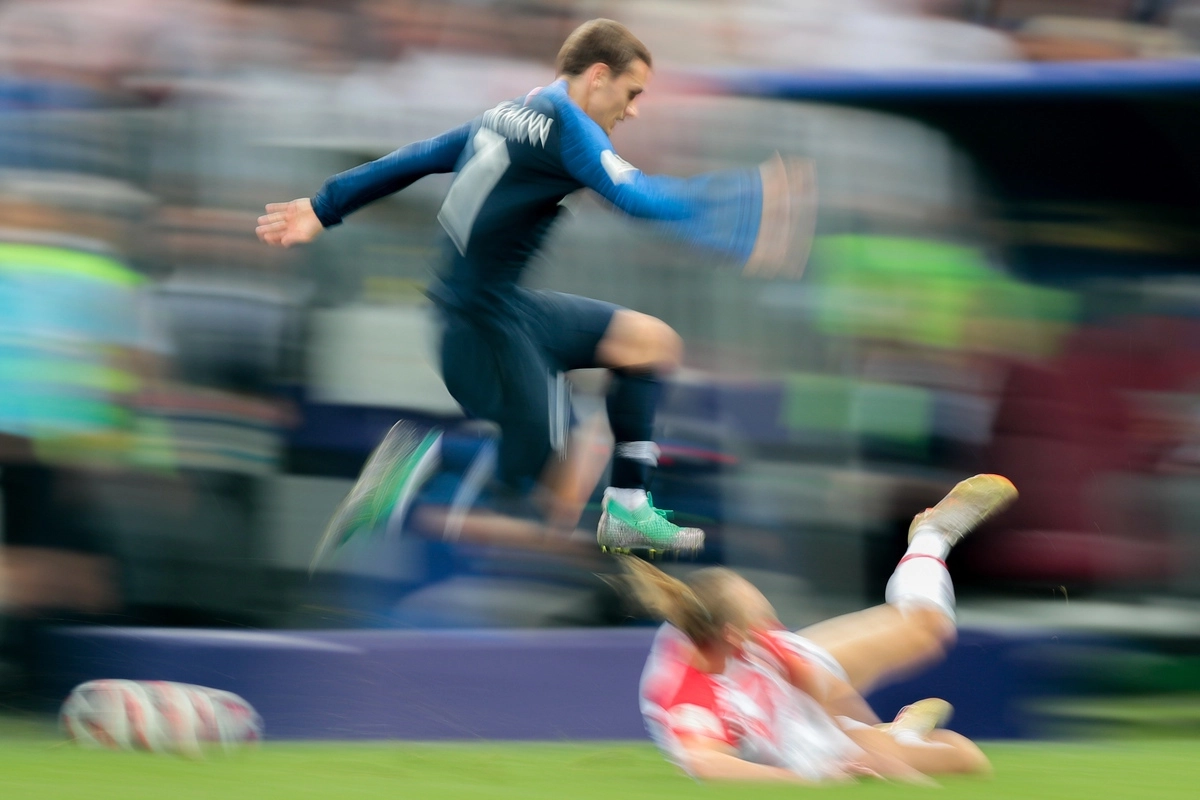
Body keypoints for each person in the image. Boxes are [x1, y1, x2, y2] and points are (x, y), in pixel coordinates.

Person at [256, 18, 811, 565]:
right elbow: (639, 197)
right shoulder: (570, 129)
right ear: (598, 75)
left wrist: (323, 206)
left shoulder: (509, 113)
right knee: (560, 491)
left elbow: (416, 157)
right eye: (632, 92)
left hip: (496, 308)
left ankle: (628, 508)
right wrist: (746, 205)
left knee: (651, 343)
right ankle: (419, 468)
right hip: (484, 331)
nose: (634, 109)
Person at [625, 473, 1016, 784]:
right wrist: (808, 778)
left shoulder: (750, 638)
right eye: (758, 618)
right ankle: (902, 734)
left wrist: (873, 749)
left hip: (793, 705)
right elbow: (707, 764)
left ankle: (931, 535)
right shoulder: (688, 688)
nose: (769, 626)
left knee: (927, 628)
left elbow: (828, 692)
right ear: (732, 634)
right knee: (965, 758)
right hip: (791, 740)